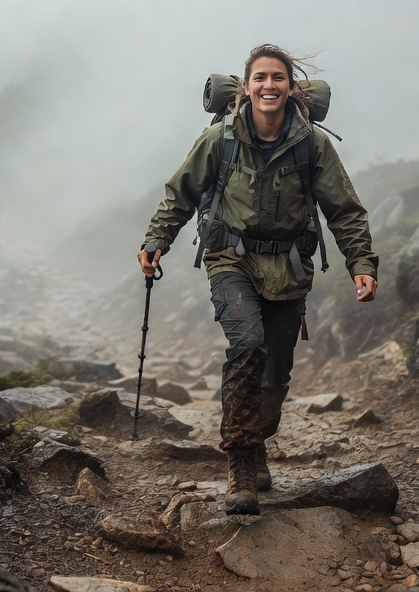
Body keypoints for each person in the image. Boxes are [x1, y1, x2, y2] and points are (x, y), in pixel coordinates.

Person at [137, 44, 378, 515]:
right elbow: (180, 193)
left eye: (278, 78)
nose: (269, 85)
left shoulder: (312, 145)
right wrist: (156, 240)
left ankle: (256, 438)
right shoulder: (220, 139)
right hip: (230, 259)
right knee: (247, 345)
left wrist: (362, 264)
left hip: (289, 267)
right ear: (246, 87)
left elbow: (344, 210)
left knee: (275, 373)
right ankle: (241, 466)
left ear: (291, 87)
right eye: (261, 78)